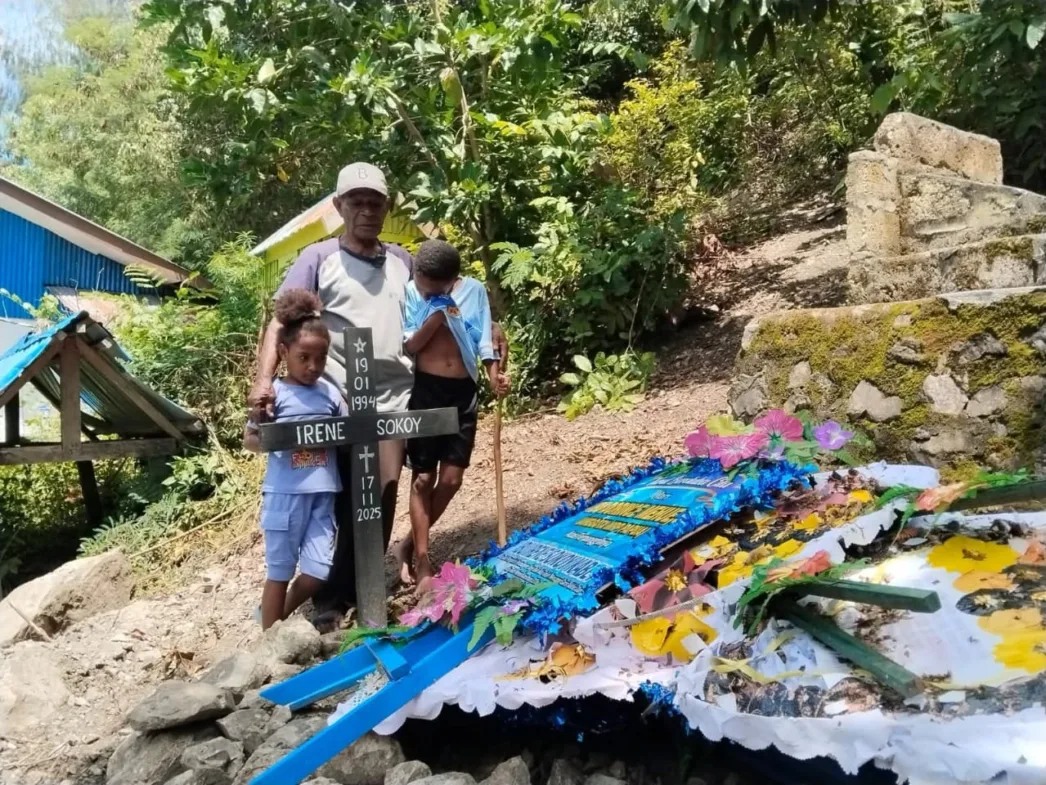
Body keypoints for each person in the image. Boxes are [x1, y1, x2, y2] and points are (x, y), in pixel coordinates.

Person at [247, 162, 508, 626]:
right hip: (333, 398)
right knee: (336, 496)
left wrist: (487, 330)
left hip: (396, 398)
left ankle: (359, 594)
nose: (367, 210)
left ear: (386, 208)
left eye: (375, 202)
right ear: (339, 207)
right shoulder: (318, 258)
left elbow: (448, 299)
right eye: (357, 202)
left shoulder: (403, 261)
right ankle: (329, 600)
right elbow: (281, 323)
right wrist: (265, 380)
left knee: (381, 494)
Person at [399, 240, 510, 591]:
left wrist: (495, 376)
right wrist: (437, 315)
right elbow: (410, 345)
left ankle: (409, 541)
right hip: (427, 391)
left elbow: (482, 339)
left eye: (429, 284)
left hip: (463, 391)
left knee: (451, 479)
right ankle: (422, 560)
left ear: (450, 280)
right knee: (421, 478)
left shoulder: (473, 291)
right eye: (418, 279)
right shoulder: (411, 294)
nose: (420, 286)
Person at [244, 289, 347, 629]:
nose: (313, 366)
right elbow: (251, 442)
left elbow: (350, 430)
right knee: (280, 571)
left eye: (320, 358)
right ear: (284, 352)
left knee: (318, 571)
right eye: (304, 357)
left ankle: (277, 621)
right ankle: (270, 643)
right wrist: (260, 421)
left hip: (323, 496)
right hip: (285, 497)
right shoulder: (274, 396)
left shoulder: (331, 394)